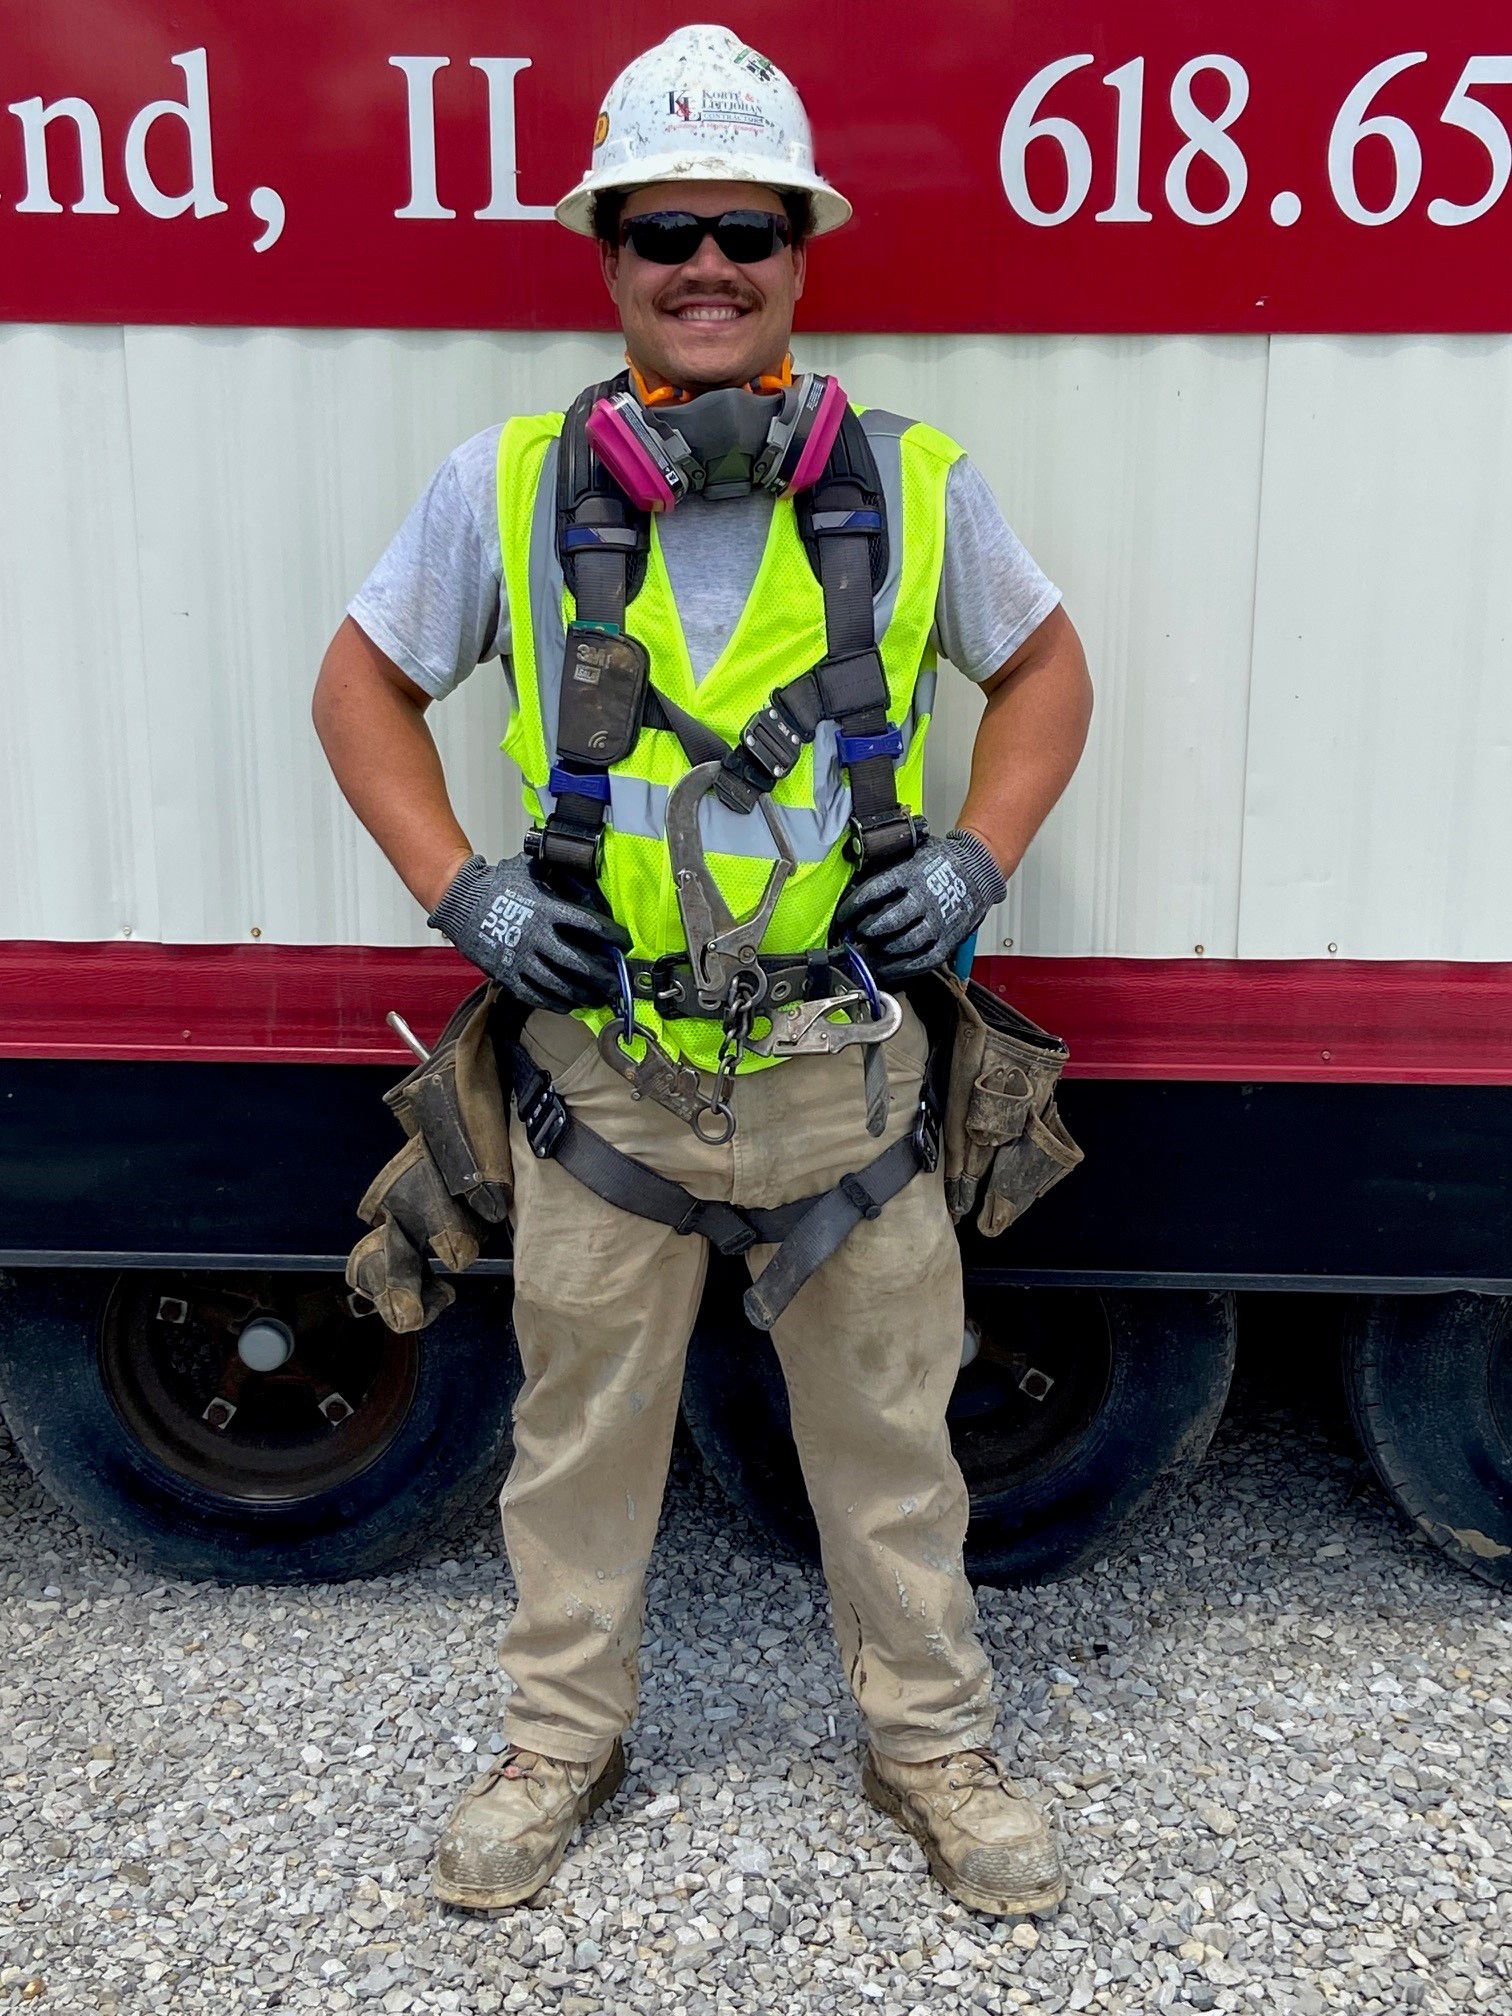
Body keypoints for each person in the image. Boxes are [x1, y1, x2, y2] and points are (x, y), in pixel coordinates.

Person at [313, 23, 1092, 1920]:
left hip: (848, 1071)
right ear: (609, 257)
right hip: (610, 1083)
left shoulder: (912, 485)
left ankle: (932, 1749)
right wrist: (467, 900)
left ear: (802, 251)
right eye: (665, 232)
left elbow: (1049, 670)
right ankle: (557, 1746)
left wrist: (979, 856)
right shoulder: (507, 483)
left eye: (746, 228)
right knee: (576, 1441)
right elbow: (363, 687)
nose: (707, 268)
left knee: (894, 1440)